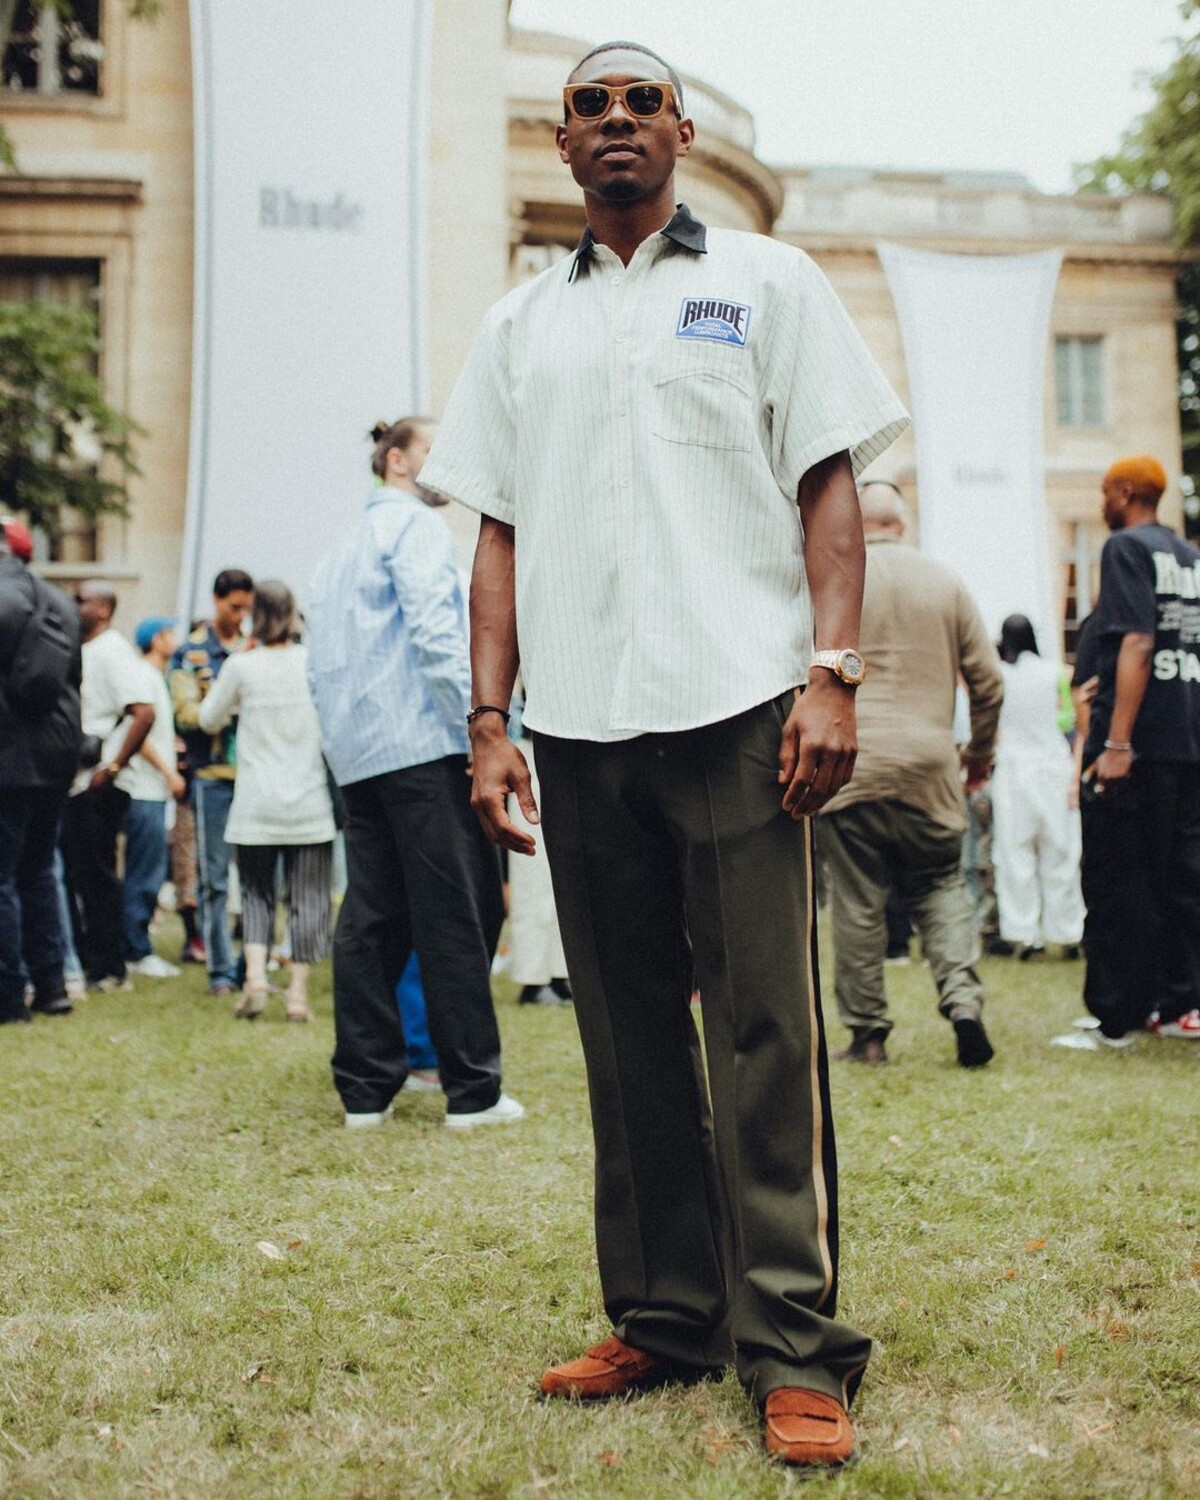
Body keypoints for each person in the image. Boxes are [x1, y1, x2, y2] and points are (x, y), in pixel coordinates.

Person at [419, 41, 909, 1468]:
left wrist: (830, 674)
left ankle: (794, 1348)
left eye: (643, 100)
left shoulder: (768, 282)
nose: (618, 120)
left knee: (765, 1029)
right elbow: (497, 533)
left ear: (682, 131)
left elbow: (827, 474)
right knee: (626, 1034)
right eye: (592, 104)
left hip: (744, 708)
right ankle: (664, 1312)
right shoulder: (520, 327)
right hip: (578, 726)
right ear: (558, 142)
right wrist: (491, 721)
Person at [306, 419, 520, 1129]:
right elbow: (436, 631)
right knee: (458, 911)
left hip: (358, 756)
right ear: (398, 462)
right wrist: (480, 726)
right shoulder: (417, 532)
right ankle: (472, 1091)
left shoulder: (336, 552)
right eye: (436, 450)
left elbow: (320, 663)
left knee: (371, 919)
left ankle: (366, 1090)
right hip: (423, 744)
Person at [819, 481, 1003, 1068]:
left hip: (852, 766)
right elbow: (988, 683)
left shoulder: (831, 580)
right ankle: (964, 1004)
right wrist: (978, 753)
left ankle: (869, 1035)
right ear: (902, 521)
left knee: (857, 905)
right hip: (931, 768)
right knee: (942, 887)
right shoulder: (944, 581)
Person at [1053, 456, 1200, 1051]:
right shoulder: (1190, 557)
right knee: (1182, 879)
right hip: (1187, 743)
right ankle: (1180, 1003)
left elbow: (1138, 638)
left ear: (1126, 492)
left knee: (1117, 877)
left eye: (1105, 492)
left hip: (1138, 746)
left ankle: (1116, 1017)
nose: (1101, 503)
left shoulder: (1125, 549)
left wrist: (1114, 742)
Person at [199, 580, 334, 1022]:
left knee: (256, 893)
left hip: (256, 800)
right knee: (308, 898)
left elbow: (207, 718)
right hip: (309, 802)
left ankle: (255, 978)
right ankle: (296, 993)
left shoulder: (241, 665)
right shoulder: (314, 663)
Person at [0, 523, 82, 1022]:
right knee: (40, 870)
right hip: (56, 756)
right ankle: (52, 985)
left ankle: (9, 996)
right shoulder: (62, 602)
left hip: (8, 758)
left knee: (1, 878)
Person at [62, 582, 155, 992]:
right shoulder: (84, 648)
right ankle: (90, 959)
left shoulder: (113, 650)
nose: (74, 605)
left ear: (103, 608)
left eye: (82, 599)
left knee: (98, 874)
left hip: (101, 781)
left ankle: (110, 967)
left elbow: (143, 711)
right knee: (79, 872)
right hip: (79, 778)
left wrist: (113, 766)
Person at [169, 569, 254, 997]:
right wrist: (224, 700)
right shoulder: (191, 654)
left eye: (246, 608)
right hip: (211, 776)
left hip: (255, 775)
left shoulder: (253, 647)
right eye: (233, 607)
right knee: (215, 878)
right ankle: (220, 968)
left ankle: (250, 963)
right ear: (216, 600)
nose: (240, 616)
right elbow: (183, 715)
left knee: (257, 877)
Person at [990, 614, 1084, 960]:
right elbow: (1067, 718)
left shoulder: (1000, 675)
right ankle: (1068, 930)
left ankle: (1025, 933)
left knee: (1016, 854)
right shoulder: (1056, 671)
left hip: (1014, 769)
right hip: (1053, 765)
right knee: (1060, 851)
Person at [122, 616, 185, 978]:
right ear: (156, 640)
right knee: (145, 870)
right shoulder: (143, 676)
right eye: (168, 634)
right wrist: (168, 770)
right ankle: (136, 949)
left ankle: (134, 942)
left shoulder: (157, 677)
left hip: (153, 787)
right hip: (145, 786)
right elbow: (139, 731)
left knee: (148, 868)